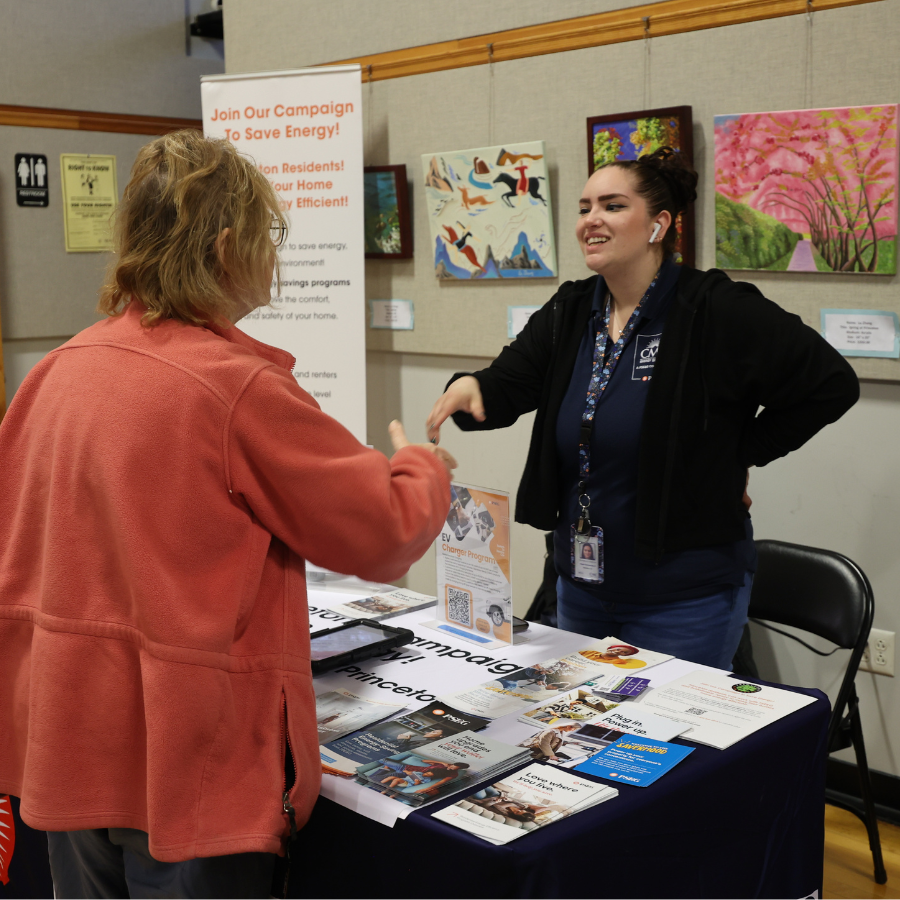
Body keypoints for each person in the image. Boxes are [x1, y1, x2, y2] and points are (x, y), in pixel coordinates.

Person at [0, 130, 456, 899]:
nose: (272, 257)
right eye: (267, 237)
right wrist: (423, 469)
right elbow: (384, 532)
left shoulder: (56, 370)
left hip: (67, 740)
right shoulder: (234, 389)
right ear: (223, 248)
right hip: (188, 763)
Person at [427, 146, 859, 669]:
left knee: (661, 748)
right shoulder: (571, 310)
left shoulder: (715, 308)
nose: (591, 220)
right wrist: (475, 386)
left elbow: (831, 384)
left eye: (611, 206)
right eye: (585, 207)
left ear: (659, 224)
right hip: (581, 585)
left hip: (685, 597)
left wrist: (739, 452)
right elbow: (508, 381)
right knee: (586, 735)